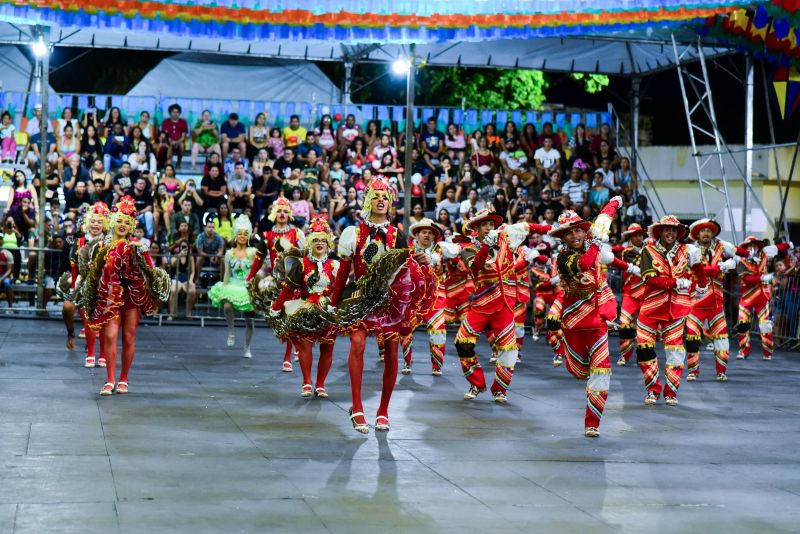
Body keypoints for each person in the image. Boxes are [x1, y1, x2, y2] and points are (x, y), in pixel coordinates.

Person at [328, 177, 435, 433]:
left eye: (384, 198)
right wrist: (333, 304)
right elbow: (343, 272)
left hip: (389, 301)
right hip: (362, 297)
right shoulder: (353, 234)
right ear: (367, 201)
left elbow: (406, 265)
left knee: (391, 352)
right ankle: (357, 408)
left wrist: (422, 258)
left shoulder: (397, 234)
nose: (380, 201)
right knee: (357, 343)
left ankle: (383, 411)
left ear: (389, 204)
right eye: (375, 197)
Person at [550, 198, 634, 437]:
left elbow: (604, 219)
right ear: (563, 238)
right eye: (569, 233)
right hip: (573, 325)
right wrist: (596, 243)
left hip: (597, 324)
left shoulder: (592, 243)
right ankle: (568, 356)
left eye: (578, 230)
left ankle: (592, 423)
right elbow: (586, 263)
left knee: (601, 372)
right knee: (578, 371)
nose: (575, 235)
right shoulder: (564, 259)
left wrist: (614, 203)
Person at [454, 209, 551, 404]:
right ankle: (477, 383)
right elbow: (476, 267)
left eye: (491, 224)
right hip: (481, 304)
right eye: (484, 225)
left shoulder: (506, 239)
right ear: (477, 229)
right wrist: (486, 246)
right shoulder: (468, 249)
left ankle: (500, 389)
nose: (489, 228)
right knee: (462, 343)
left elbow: (529, 227)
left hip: (505, 305)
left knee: (509, 349)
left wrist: (555, 229)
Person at [84, 196, 170, 395]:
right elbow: (94, 273)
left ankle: (124, 379)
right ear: (113, 222)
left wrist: (144, 255)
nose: (122, 225)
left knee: (129, 338)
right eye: (119, 221)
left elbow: (151, 271)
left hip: (132, 298)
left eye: (126, 222)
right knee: (111, 336)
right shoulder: (100, 246)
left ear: (131, 225)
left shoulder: (138, 246)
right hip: (110, 298)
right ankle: (110, 380)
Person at [259, 216, 340, 398]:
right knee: (305, 345)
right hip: (305, 308)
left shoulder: (335, 265)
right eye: (316, 240)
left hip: (328, 310)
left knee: (327, 347)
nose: (320, 243)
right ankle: (307, 382)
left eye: (323, 240)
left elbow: (340, 290)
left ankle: (320, 384)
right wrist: (276, 308)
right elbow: (288, 290)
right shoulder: (302, 264)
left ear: (328, 243)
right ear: (310, 242)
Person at [636, 215, 706, 407]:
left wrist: (702, 286)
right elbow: (650, 279)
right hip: (651, 307)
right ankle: (652, 388)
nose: (670, 233)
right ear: (659, 232)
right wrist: (675, 282)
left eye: (674, 230)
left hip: (676, 308)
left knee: (675, 352)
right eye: (667, 229)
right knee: (644, 349)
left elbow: (700, 270)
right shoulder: (648, 251)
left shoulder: (687, 250)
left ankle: (671, 391)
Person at [246, 197, 306, 371]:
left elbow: (304, 256)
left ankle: (287, 357)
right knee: (282, 320)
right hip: (276, 283)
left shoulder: (296, 234)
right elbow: (259, 259)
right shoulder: (267, 236)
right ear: (274, 214)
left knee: (290, 318)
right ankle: (295, 345)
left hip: (294, 282)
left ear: (290, 215)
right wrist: (250, 277)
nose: (282, 214)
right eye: (279, 211)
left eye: (285, 211)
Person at [400, 218, 462, 376]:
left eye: (430, 233)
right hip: (413, 299)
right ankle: (407, 361)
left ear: (434, 236)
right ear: (417, 235)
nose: (427, 235)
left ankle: (437, 366)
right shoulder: (408, 250)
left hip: (435, 298)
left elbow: (457, 250)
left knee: (439, 331)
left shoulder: (440, 249)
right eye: (423, 232)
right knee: (405, 330)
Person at [685, 219, 743, 382]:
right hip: (696, 302)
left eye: (709, 231)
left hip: (716, 302)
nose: (706, 233)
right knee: (692, 338)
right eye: (703, 231)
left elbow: (739, 255)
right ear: (697, 234)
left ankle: (721, 371)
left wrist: (734, 261)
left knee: (722, 339)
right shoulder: (690, 249)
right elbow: (702, 270)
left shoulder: (720, 247)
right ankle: (693, 370)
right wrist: (723, 266)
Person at [735, 236, 793, 361]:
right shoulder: (741, 261)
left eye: (754, 245)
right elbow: (745, 279)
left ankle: (767, 352)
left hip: (762, 295)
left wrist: (789, 245)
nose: (752, 248)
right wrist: (761, 278)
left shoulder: (764, 253)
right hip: (746, 297)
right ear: (745, 247)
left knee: (765, 325)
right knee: (742, 324)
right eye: (749, 245)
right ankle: (744, 350)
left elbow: (778, 247)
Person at [208, 216, 257, 358]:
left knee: (250, 321)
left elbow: (260, 267)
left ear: (248, 237)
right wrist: (223, 288)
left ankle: (247, 348)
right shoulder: (229, 254)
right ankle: (231, 331)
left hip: (248, 286)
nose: (242, 236)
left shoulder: (253, 252)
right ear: (235, 236)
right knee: (227, 306)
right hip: (233, 284)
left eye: (245, 234)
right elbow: (227, 273)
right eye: (240, 234)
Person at [615, 223, 647, 367]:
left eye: (640, 235)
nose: (638, 238)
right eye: (634, 235)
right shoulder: (626, 252)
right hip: (630, 293)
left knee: (644, 327)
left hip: (647, 294)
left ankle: (643, 355)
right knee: (625, 324)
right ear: (630, 237)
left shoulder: (650, 250)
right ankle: (625, 355)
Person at [168, 241, 196, 320]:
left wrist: (191, 280)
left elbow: (193, 271)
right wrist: (179, 256)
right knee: (173, 290)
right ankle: (171, 313)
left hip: (186, 278)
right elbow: (173, 264)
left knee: (192, 291)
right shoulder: (175, 256)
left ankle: (188, 312)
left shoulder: (190, 257)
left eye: (186, 247)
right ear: (179, 248)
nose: (184, 248)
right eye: (182, 246)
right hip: (176, 278)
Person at [0, 234, 13, 311]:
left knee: (7, 283)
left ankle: (10, 307)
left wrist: (1, 279)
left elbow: (9, 270)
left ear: (2, 240)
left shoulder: (7, 253)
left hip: (4, 275)